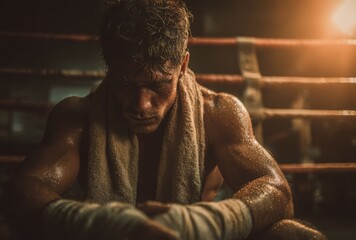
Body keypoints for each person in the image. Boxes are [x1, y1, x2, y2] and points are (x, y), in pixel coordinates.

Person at [2, 0, 326, 239]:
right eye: (127, 84)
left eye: (157, 85)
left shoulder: (218, 113)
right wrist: (105, 224)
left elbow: (277, 192)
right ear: (110, 67)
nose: (142, 104)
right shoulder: (77, 117)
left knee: (296, 235)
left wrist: (204, 222)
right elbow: (23, 191)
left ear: (183, 65)